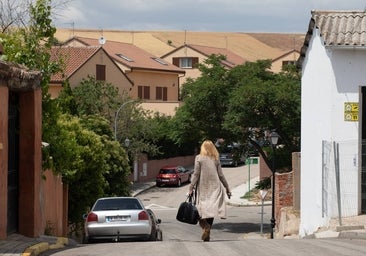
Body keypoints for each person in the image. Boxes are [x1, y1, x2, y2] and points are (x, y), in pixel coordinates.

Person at [188, 140, 231, 242]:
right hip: (215, 188)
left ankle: (205, 227)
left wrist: (191, 187)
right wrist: (227, 188)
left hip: (203, 189)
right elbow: (221, 175)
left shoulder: (199, 158)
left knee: (200, 211)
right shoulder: (215, 158)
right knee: (211, 211)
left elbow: (196, 174)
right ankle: (207, 231)